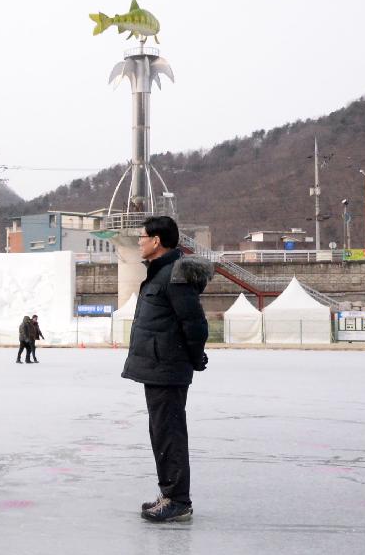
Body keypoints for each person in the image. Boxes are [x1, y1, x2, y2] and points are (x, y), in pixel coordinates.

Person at [123, 216, 212, 523]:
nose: (139, 242)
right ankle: (169, 493)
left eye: (142, 237)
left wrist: (194, 357)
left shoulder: (175, 276)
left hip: (167, 368)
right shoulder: (161, 273)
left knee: (169, 433)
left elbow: (195, 324)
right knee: (161, 432)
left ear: (157, 241)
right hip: (158, 367)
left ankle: (178, 499)